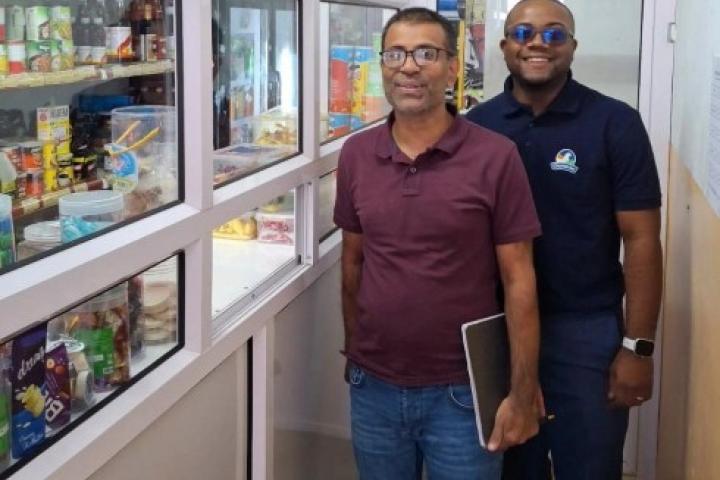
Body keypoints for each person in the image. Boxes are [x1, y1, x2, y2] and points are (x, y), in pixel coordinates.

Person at [333, 7, 544, 479]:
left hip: (462, 392)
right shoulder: (356, 155)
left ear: (451, 68)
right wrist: (355, 353)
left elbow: (519, 281)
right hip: (374, 388)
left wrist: (521, 390)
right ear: (382, 66)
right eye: (396, 54)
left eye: (426, 53)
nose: (408, 67)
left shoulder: (495, 157)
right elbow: (353, 263)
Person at [465, 1, 663, 479]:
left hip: (585, 332)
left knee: (591, 467)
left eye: (554, 34)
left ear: (573, 47)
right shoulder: (475, 127)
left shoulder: (615, 122)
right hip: (499, 330)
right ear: (504, 45)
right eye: (523, 33)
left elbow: (641, 239)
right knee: (510, 466)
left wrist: (637, 347)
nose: (538, 43)